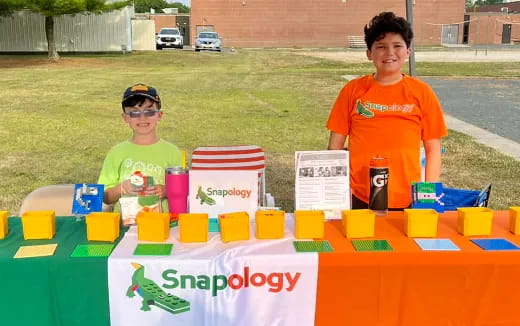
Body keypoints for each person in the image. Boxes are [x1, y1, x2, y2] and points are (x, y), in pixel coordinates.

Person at [326, 12, 447, 209]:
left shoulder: (421, 92)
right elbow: (335, 148)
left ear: (408, 51)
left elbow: (433, 149)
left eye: (397, 46)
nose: (390, 52)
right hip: (360, 195)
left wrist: (428, 195)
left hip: (408, 198)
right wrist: (336, 188)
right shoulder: (353, 90)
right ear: (369, 53)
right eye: (381, 47)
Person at [98, 83, 182, 210]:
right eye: (134, 113)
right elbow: (105, 197)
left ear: (159, 115)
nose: (142, 118)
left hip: (163, 225)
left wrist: (165, 190)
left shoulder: (173, 152)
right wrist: (122, 188)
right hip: (124, 226)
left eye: (149, 111)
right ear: (125, 118)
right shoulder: (116, 153)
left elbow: (182, 190)